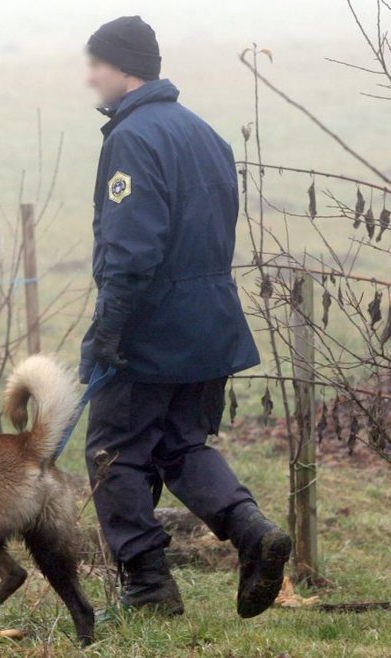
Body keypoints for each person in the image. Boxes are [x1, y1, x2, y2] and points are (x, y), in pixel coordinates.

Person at [80, 15, 292, 619]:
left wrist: (109, 330)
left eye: (96, 63)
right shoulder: (206, 134)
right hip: (211, 322)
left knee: (112, 452)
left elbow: (131, 250)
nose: (90, 76)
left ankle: (148, 589)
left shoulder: (132, 138)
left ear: (124, 68)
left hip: (151, 327)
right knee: (179, 444)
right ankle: (253, 533)